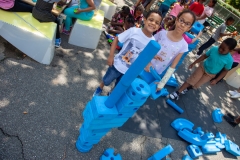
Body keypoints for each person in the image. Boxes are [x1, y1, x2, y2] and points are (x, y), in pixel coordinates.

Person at [93, 10, 162, 96]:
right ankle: (100, 88)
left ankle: (111, 95)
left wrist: (153, 57)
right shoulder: (134, 31)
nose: (153, 23)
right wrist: (111, 56)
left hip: (130, 72)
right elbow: (116, 40)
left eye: (157, 22)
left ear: (158, 27)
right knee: (106, 79)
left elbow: (145, 55)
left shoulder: (153, 42)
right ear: (144, 19)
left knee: (119, 86)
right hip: (117, 64)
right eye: (151, 20)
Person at [144, 9, 196, 92]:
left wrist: (162, 83)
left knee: (142, 93)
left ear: (189, 28)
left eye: (187, 24)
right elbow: (148, 47)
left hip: (156, 73)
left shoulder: (183, 45)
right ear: (177, 19)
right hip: (143, 65)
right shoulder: (162, 33)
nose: (182, 25)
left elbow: (173, 66)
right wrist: (147, 62)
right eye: (181, 20)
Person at [169, 38, 237, 100]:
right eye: (220, 47)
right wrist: (194, 62)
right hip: (203, 67)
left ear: (230, 50)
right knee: (192, 80)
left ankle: (187, 89)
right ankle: (178, 92)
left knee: (196, 85)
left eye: (223, 49)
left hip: (210, 74)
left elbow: (225, 71)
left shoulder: (229, 60)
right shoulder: (214, 49)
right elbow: (204, 56)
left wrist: (216, 80)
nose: (220, 50)